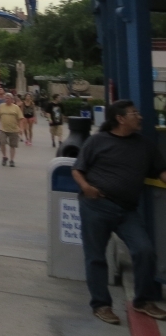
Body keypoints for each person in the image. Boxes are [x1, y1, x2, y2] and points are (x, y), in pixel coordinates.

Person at [72, 100, 166, 325]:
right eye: (134, 113)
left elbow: (161, 171)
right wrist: (86, 188)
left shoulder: (144, 145)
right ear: (120, 119)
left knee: (144, 250)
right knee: (96, 257)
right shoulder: (97, 141)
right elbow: (77, 169)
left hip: (127, 210)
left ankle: (142, 301)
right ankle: (101, 305)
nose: (140, 117)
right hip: (96, 206)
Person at [0, 92, 23, 166]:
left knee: (12, 145)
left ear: (12, 99)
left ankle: (12, 160)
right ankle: (4, 156)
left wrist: (20, 128)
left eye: (8, 98)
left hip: (14, 129)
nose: (6, 99)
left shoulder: (16, 107)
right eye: (5, 98)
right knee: (2, 142)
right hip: (3, 129)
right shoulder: (1, 106)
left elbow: (20, 119)